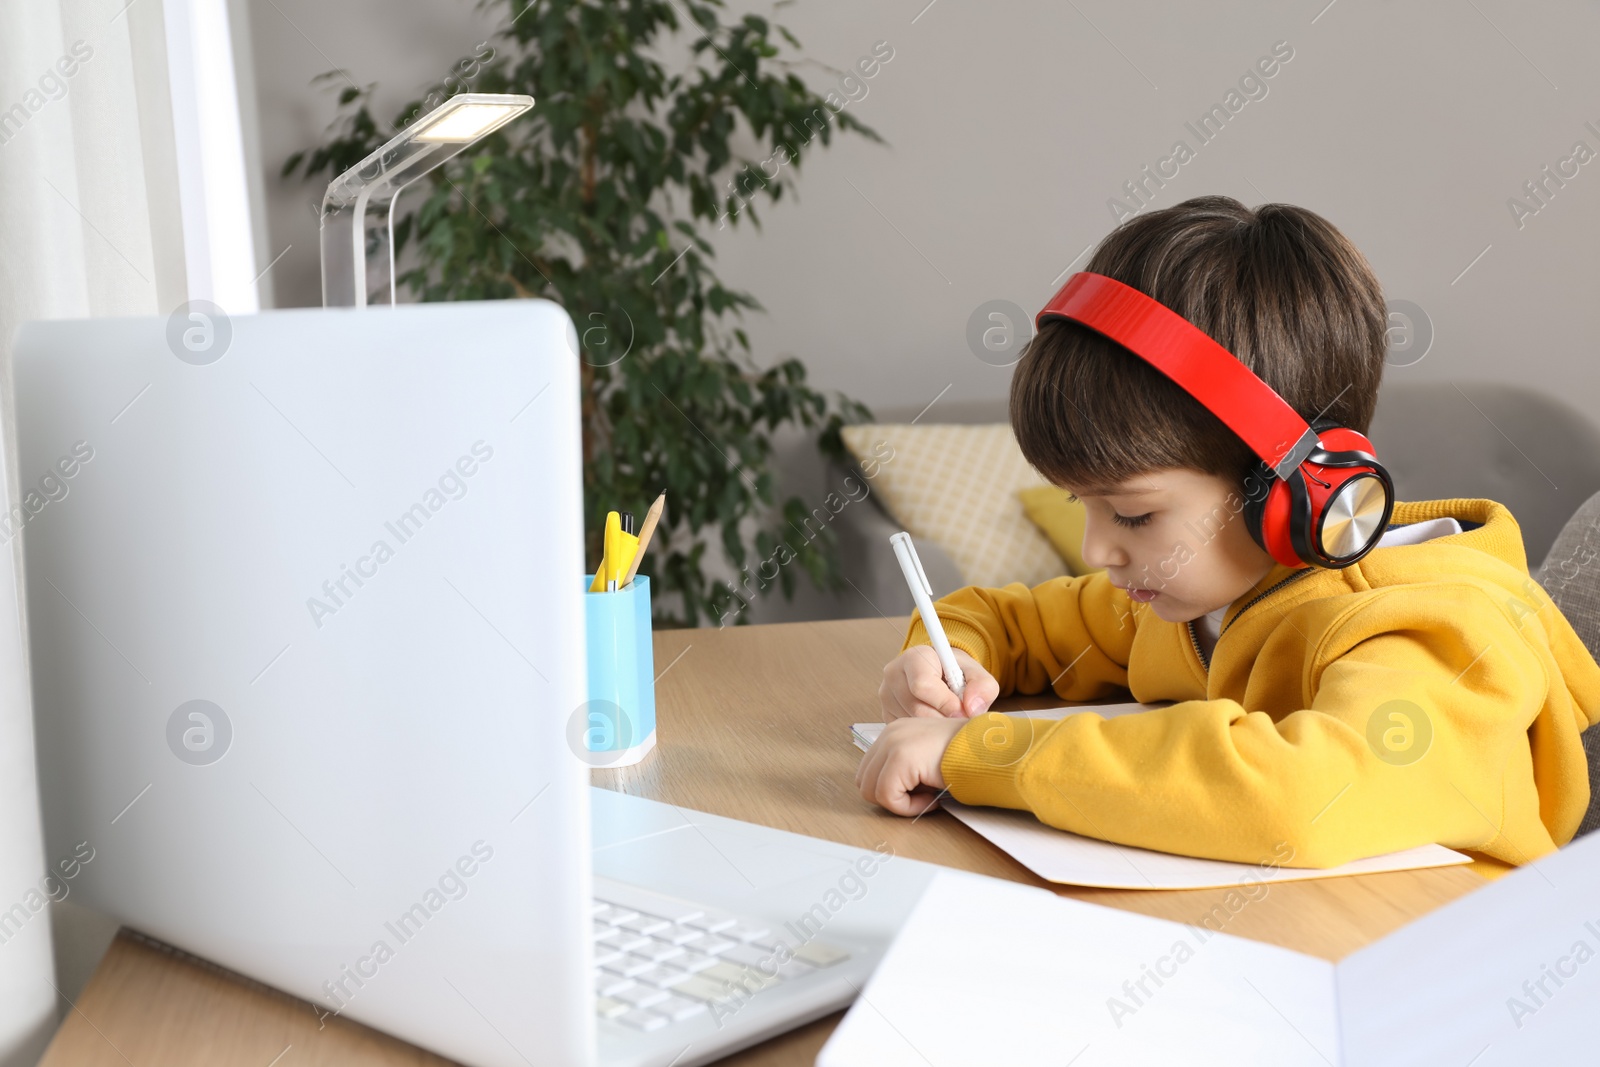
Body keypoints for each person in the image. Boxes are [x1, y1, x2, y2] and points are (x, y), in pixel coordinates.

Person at [856, 195, 1599, 870]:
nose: (1095, 550)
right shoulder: (1189, 600)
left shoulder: (1436, 639)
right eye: (1083, 503)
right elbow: (1008, 619)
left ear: (1296, 488)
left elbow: (1304, 795)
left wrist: (978, 750)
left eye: (1135, 514)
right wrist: (938, 661)